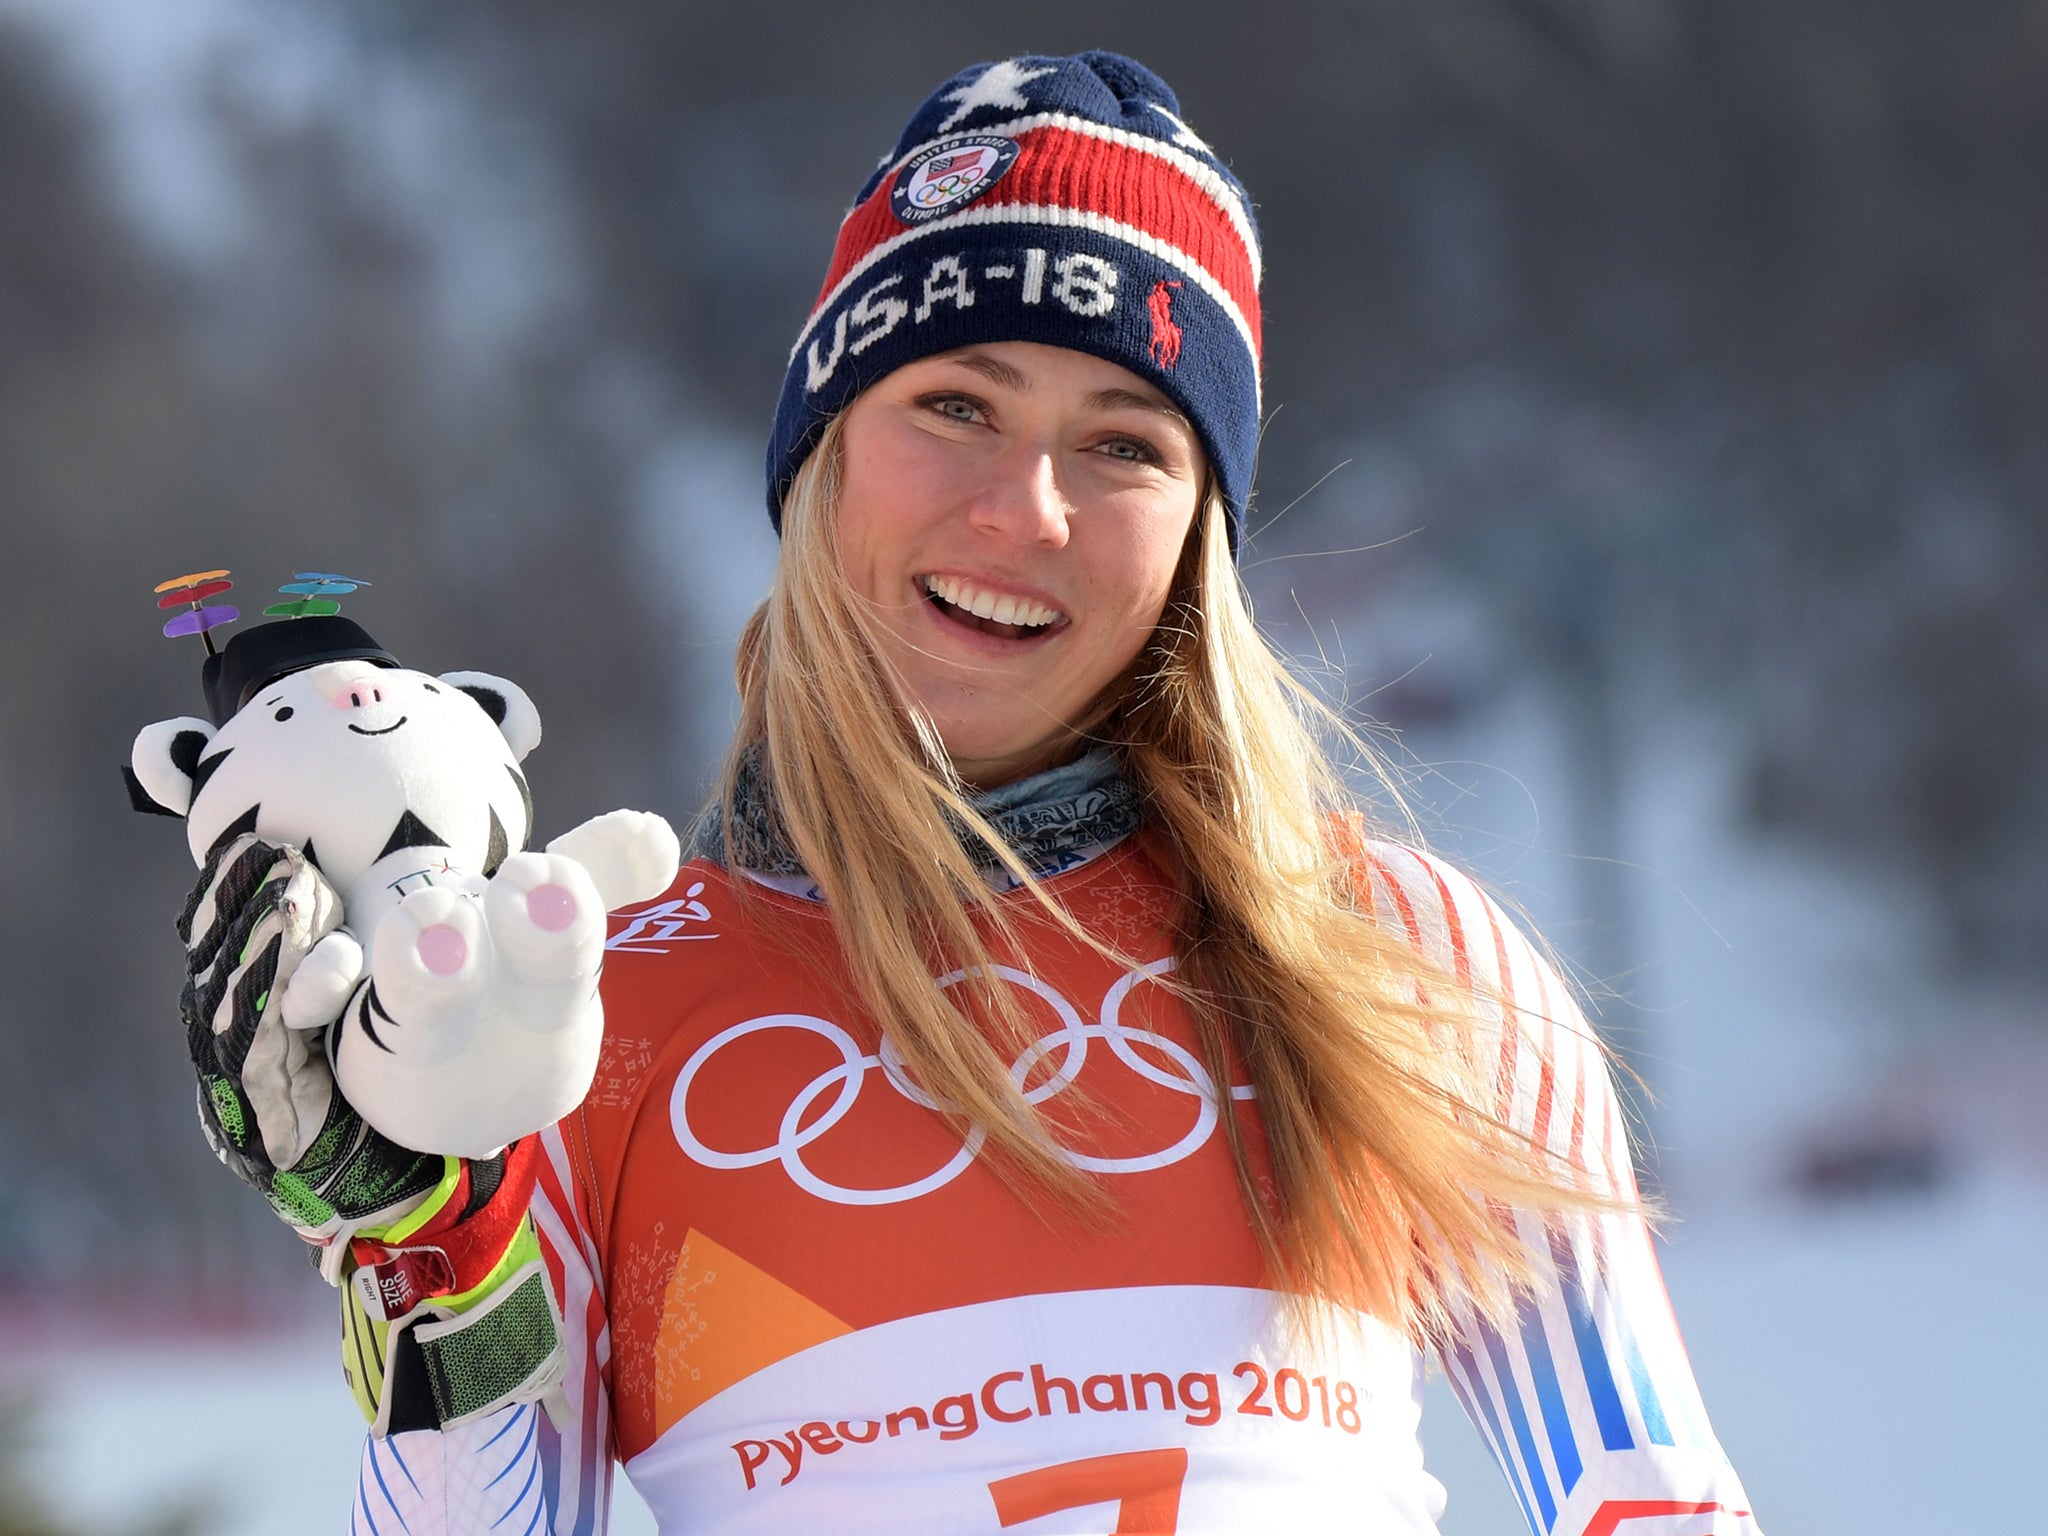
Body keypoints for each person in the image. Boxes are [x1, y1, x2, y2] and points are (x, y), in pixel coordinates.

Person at [177, 52, 1761, 1535]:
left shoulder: (1393, 961)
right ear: (825, 457)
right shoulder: (589, 1009)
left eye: (1126, 442)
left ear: (1201, 528)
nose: (1029, 509)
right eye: (956, 406)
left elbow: (1655, 1506)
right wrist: (422, 1243)